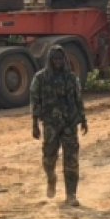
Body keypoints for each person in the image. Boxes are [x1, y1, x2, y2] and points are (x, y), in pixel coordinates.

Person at [30, 45, 88, 206]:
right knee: (49, 158)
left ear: (64, 60)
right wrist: (34, 124)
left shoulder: (71, 78)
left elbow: (78, 99)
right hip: (50, 124)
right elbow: (35, 101)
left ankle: (71, 195)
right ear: (50, 60)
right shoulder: (40, 78)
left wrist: (83, 119)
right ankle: (51, 178)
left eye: (60, 59)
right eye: (55, 59)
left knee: (72, 160)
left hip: (70, 123)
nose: (58, 62)